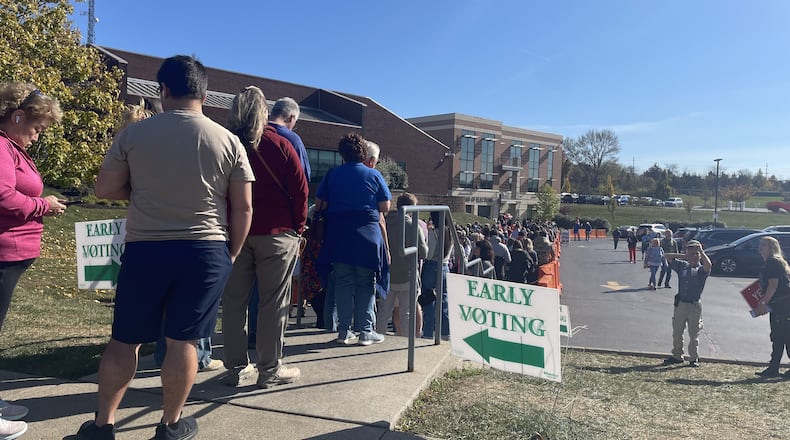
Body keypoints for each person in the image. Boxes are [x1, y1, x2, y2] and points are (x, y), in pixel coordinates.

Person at [75, 55, 254, 440]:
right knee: (183, 340)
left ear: (164, 90)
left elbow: (104, 188)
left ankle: (102, 426)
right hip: (205, 250)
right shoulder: (229, 141)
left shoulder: (135, 135)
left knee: (125, 340)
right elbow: (243, 206)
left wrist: (140, 191)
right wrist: (232, 252)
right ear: (204, 94)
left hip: (146, 248)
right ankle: (170, 425)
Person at [120, 98, 222, 374]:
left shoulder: (132, 142)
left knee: (128, 337)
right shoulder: (196, 139)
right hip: (195, 241)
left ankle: (105, 415)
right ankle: (173, 416)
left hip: (143, 241)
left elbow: (108, 186)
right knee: (185, 331)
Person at [220, 86, 308, 388]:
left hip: (235, 234)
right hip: (277, 234)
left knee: (233, 302)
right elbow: (300, 190)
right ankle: (269, 368)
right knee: (272, 303)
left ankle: (235, 368)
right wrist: (298, 227)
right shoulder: (281, 144)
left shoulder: (225, 145)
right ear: (264, 112)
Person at [0, 82, 64, 440]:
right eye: (37, 129)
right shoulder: (1, 146)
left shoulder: (11, 147)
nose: (38, 137)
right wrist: (44, 205)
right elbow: (3, 195)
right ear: (17, 115)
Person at [316, 133, 391, 346]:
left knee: (342, 281)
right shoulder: (373, 175)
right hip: (368, 235)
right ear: (363, 153)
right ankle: (366, 330)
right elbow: (385, 206)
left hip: (339, 235)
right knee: (367, 282)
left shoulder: (332, 175)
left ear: (342, 153)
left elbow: (320, 202)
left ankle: (344, 331)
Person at [376, 193, 427, 337]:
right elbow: (423, 252)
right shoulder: (413, 226)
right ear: (411, 208)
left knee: (384, 312)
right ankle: (405, 345)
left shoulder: (385, 222)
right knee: (406, 313)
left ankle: (378, 338)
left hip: (387, 273)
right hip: (407, 274)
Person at [662, 240, 711, 367]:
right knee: (677, 331)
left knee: (694, 333)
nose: (694, 257)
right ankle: (677, 355)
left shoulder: (701, 270)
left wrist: (700, 251)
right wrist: (685, 256)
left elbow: (708, 266)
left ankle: (693, 358)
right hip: (681, 304)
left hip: (694, 305)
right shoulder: (682, 266)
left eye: (696, 254)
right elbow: (666, 256)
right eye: (691, 254)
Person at [753, 237, 790, 377]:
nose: (760, 247)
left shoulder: (773, 263)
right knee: (777, 336)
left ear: (772, 248)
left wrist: (763, 303)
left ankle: (774, 368)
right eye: (760, 244)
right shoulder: (770, 263)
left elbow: (773, 285)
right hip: (778, 306)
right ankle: (773, 368)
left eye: (764, 245)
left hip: (784, 306)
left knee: (786, 337)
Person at [421, 211, 452, 340]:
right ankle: (445, 332)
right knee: (444, 301)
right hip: (445, 267)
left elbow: (429, 253)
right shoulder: (450, 233)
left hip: (431, 266)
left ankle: (428, 332)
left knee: (429, 300)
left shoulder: (433, 234)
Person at [268, 97, 310, 181]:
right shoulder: (293, 140)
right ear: (292, 118)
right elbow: (303, 176)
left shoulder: (253, 133)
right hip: (281, 192)